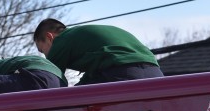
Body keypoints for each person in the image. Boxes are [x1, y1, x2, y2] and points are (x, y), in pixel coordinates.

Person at [33, 18, 163, 85]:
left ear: (50, 37)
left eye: (42, 51)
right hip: (155, 72)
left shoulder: (61, 40)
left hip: (121, 70)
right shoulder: (80, 37)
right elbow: (92, 76)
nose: (45, 56)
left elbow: (50, 81)